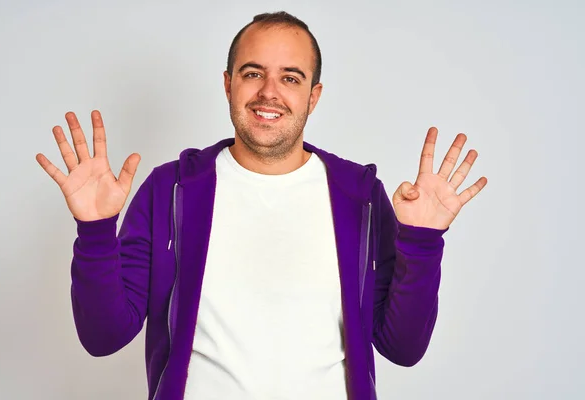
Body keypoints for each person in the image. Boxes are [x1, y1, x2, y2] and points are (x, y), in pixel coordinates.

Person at [35, 11, 487, 400]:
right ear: (229, 84)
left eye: (291, 77)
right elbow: (103, 336)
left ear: (314, 95)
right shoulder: (170, 188)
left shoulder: (360, 195)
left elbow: (402, 348)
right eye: (253, 73)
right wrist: (94, 229)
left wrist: (423, 243)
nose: (269, 92)